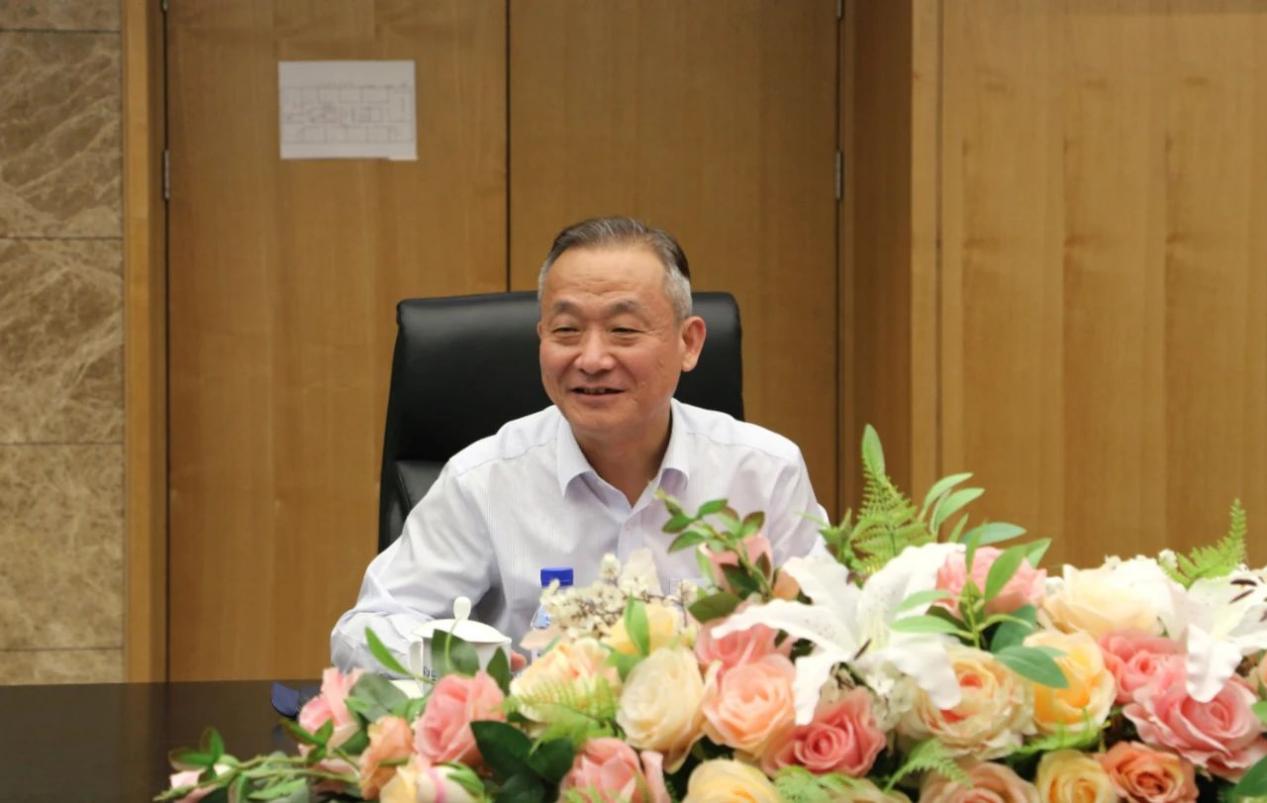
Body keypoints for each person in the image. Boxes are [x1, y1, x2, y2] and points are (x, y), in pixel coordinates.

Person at [331, 216, 825, 671]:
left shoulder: (764, 473)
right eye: (566, 330)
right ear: (541, 338)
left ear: (689, 343)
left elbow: (830, 630)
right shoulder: (483, 479)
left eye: (623, 330)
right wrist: (480, 670)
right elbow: (367, 630)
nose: (591, 359)